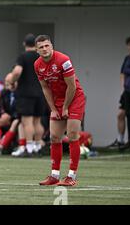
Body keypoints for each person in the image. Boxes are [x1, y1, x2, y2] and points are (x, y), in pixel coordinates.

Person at [34, 35, 86, 187]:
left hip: (74, 98)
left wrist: (65, 108)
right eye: (41, 47)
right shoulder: (37, 65)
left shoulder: (64, 60)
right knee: (55, 137)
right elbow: (45, 88)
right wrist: (53, 109)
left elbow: (72, 86)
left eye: (47, 45)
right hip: (57, 101)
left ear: (51, 46)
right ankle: (54, 176)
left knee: (72, 135)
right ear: (37, 50)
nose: (44, 49)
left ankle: (71, 176)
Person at [6, 34, 46, 157]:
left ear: (24, 44)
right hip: (41, 93)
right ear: (36, 45)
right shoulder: (41, 57)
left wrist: (12, 81)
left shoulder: (23, 57)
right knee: (37, 121)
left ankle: (29, 147)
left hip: (26, 94)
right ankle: (38, 145)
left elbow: (17, 71)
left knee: (27, 122)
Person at [108, 35, 130, 152]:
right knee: (121, 114)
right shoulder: (127, 58)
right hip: (128, 92)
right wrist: (124, 87)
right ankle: (120, 141)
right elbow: (123, 72)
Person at [0, 74, 21, 155]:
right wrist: (3, 114)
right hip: (6, 117)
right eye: (6, 82)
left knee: (15, 123)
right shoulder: (4, 92)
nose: (7, 84)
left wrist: (11, 117)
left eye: (10, 82)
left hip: (17, 118)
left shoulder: (21, 93)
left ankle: (1, 146)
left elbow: (22, 109)